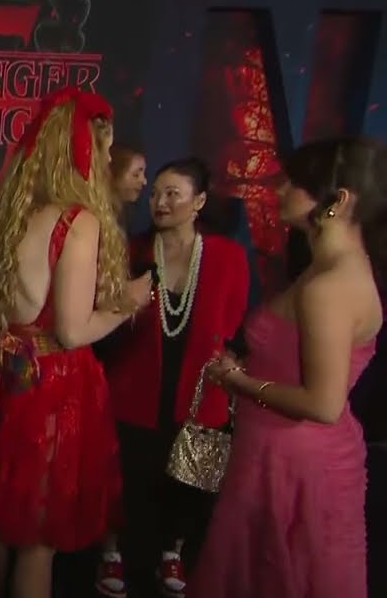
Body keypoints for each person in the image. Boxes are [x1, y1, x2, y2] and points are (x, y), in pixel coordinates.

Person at [0, 87, 152, 598]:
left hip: (8, 380)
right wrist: (129, 303)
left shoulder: (14, 214)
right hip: (51, 391)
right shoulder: (77, 221)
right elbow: (72, 331)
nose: (108, 161)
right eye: (105, 150)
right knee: (38, 542)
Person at [191, 136, 385, 598]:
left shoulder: (329, 287)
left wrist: (240, 382)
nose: (278, 190)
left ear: (337, 201)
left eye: (294, 183)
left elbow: (322, 404)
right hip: (276, 457)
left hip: (294, 469)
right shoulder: (329, 271)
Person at [96, 158, 250, 598]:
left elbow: (235, 325)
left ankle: (173, 551)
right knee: (126, 475)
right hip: (133, 387)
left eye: (172, 194)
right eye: (155, 194)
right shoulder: (131, 252)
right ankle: (111, 552)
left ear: (198, 201)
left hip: (200, 391)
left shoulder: (228, 256)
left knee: (188, 484)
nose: (160, 203)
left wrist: (230, 359)